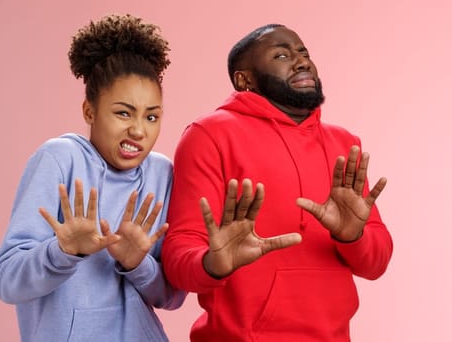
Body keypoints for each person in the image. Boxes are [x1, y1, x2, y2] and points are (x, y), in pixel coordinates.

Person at [162, 24, 392, 341]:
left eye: (304, 53)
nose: (301, 62)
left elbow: (376, 264)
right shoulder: (209, 135)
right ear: (245, 79)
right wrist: (212, 263)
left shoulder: (344, 144)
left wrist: (354, 236)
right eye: (282, 55)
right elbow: (178, 256)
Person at [0, 14, 185, 342]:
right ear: (89, 111)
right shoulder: (59, 158)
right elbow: (6, 282)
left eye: (152, 116)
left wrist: (138, 263)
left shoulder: (161, 173)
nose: (138, 130)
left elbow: (171, 297)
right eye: (123, 112)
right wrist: (63, 251)